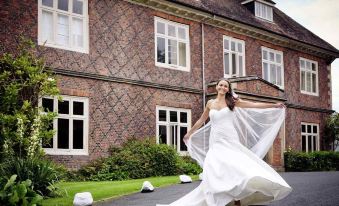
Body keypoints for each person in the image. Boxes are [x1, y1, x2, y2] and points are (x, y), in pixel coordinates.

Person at [156, 78, 292, 206]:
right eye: (220, 85)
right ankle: (219, 197)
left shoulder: (232, 101)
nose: (222, 87)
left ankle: (238, 198)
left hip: (230, 138)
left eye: (225, 86)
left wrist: (274, 105)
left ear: (228, 89)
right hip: (215, 141)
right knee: (217, 168)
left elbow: (253, 105)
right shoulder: (210, 103)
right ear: (216, 87)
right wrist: (189, 133)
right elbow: (201, 120)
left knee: (234, 166)